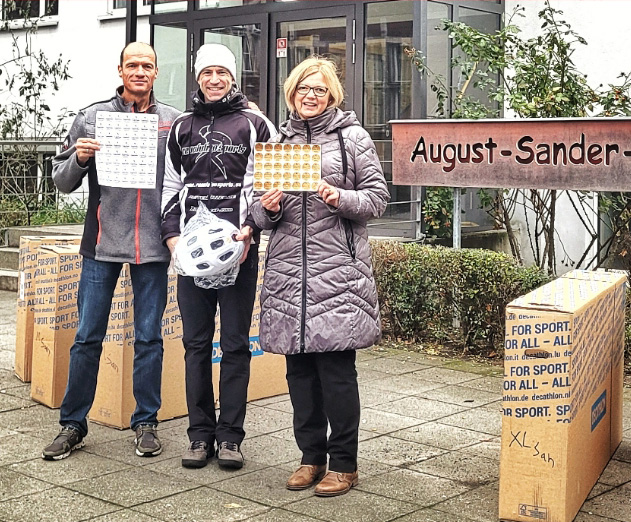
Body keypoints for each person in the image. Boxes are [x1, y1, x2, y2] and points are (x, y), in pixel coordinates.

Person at [250, 56, 390, 496]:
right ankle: (311, 457)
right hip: (290, 273)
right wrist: (267, 208)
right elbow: (257, 211)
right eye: (303, 89)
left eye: (320, 90)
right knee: (299, 375)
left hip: (337, 274)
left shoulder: (353, 138)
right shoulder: (278, 142)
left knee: (336, 373)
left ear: (332, 95)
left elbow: (377, 198)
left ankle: (344, 464)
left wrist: (340, 196)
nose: (310, 96)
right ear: (292, 93)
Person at [43, 42, 181, 460]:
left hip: (153, 245)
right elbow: (61, 181)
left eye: (147, 66)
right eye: (132, 65)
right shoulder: (91, 117)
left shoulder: (173, 122)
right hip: (102, 243)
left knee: (149, 338)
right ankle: (72, 424)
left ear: (156, 73)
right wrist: (80, 159)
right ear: (120, 70)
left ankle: (146, 422)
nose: (140, 71)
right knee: (87, 337)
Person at [161, 43, 276, 471]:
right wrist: (173, 239)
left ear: (233, 77)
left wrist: (252, 228)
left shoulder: (255, 124)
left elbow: (271, 185)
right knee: (194, 346)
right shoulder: (181, 127)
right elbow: (170, 187)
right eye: (206, 72)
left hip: (240, 252)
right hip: (190, 256)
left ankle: (230, 438)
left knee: (234, 345)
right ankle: (198, 436)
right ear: (197, 77)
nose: (214, 79)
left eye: (221, 72)